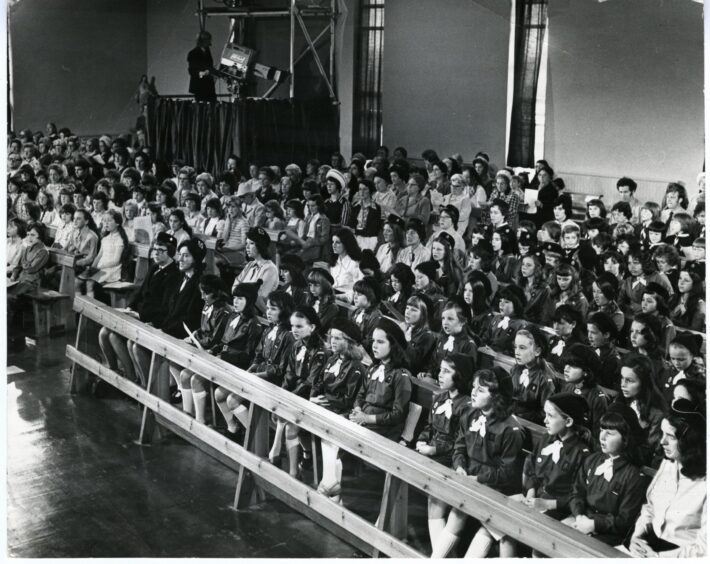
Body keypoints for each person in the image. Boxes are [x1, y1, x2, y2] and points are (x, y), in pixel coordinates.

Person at [430, 367, 525, 558]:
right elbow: (460, 447)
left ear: (496, 396)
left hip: (495, 488)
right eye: (474, 387)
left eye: (480, 390)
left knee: (486, 526)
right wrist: (459, 467)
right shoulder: (469, 413)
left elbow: (507, 473)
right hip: (468, 478)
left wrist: (478, 478)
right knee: (450, 509)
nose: (472, 392)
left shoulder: (510, 429)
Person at [625, 399, 706, 558]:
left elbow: (704, 549)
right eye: (663, 434)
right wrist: (637, 537)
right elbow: (650, 508)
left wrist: (659, 557)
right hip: (650, 547)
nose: (662, 442)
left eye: (671, 436)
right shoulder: (669, 463)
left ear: (689, 441)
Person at [564, 404, 648, 546]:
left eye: (609, 433)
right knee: (548, 539)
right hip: (582, 520)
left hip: (609, 535)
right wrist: (579, 516)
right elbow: (576, 492)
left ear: (625, 438)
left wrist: (594, 524)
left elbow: (624, 520)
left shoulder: (633, 476)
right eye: (602, 430)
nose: (601, 437)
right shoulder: (592, 460)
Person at [415, 353, 473, 548]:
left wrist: (434, 449)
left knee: (436, 501)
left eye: (447, 372)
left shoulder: (466, 406)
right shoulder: (439, 398)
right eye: (440, 370)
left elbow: (460, 441)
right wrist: (422, 441)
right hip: (432, 454)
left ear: (460, 376)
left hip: (449, 459)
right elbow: (428, 427)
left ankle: (439, 553)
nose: (440, 375)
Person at [310, 318, 365, 502]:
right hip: (326, 408)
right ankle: (332, 485)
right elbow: (318, 382)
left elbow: (348, 400)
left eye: (337, 338)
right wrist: (314, 397)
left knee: (330, 434)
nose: (332, 341)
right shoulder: (333, 358)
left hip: (343, 413)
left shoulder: (356, 367)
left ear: (348, 341)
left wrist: (325, 400)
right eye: (331, 337)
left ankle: (331, 485)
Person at [231, 227, 279, 311]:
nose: (247, 247)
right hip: (242, 308)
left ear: (260, 246)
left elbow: (258, 298)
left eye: (251, 243)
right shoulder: (250, 265)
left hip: (256, 311)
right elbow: (234, 287)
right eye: (246, 243)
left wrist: (241, 293)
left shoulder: (270, 269)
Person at [187, 31, 216, 103]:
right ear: (204, 41)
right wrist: (202, 73)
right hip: (199, 86)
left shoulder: (207, 52)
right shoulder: (193, 53)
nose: (210, 42)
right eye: (209, 40)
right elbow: (191, 70)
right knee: (201, 108)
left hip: (209, 86)